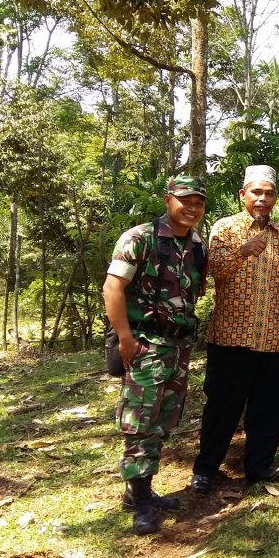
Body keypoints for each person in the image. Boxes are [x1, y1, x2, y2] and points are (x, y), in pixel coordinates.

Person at [103, 174, 207, 535]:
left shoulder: (195, 245)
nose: (192, 208)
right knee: (140, 420)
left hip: (178, 347)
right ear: (168, 200)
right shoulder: (140, 238)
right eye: (185, 200)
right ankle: (141, 499)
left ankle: (141, 490)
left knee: (162, 418)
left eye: (198, 202)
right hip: (146, 345)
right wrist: (125, 338)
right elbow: (113, 288)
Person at [191, 165, 279, 494]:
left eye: (268, 193)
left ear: (275, 198)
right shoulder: (225, 229)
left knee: (267, 408)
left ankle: (259, 465)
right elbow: (215, 274)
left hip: (273, 338)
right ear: (243, 195)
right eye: (256, 192)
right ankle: (206, 468)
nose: (262, 199)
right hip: (231, 337)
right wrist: (242, 252)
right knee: (222, 406)